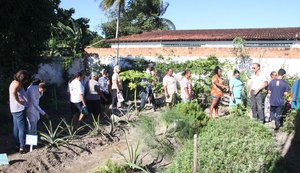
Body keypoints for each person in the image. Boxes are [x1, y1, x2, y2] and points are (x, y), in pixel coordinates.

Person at [9, 70, 30, 153]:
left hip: (14, 108)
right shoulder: (17, 84)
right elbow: (13, 92)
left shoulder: (14, 82)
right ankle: (22, 146)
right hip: (19, 108)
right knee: (22, 128)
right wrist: (19, 101)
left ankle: (17, 144)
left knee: (16, 127)